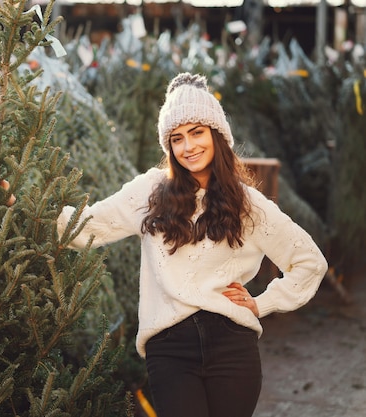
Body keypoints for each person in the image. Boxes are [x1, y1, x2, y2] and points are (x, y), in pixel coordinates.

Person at [56, 72, 328, 417]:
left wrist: (263, 303)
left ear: (217, 135)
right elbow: (85, 226)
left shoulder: (247, 203)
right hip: (170, 348)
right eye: (177, 138)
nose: (188, 147)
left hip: (232, 344)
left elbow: (309, 261)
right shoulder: (151, 192)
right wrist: (19, 205)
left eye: (197, 132)